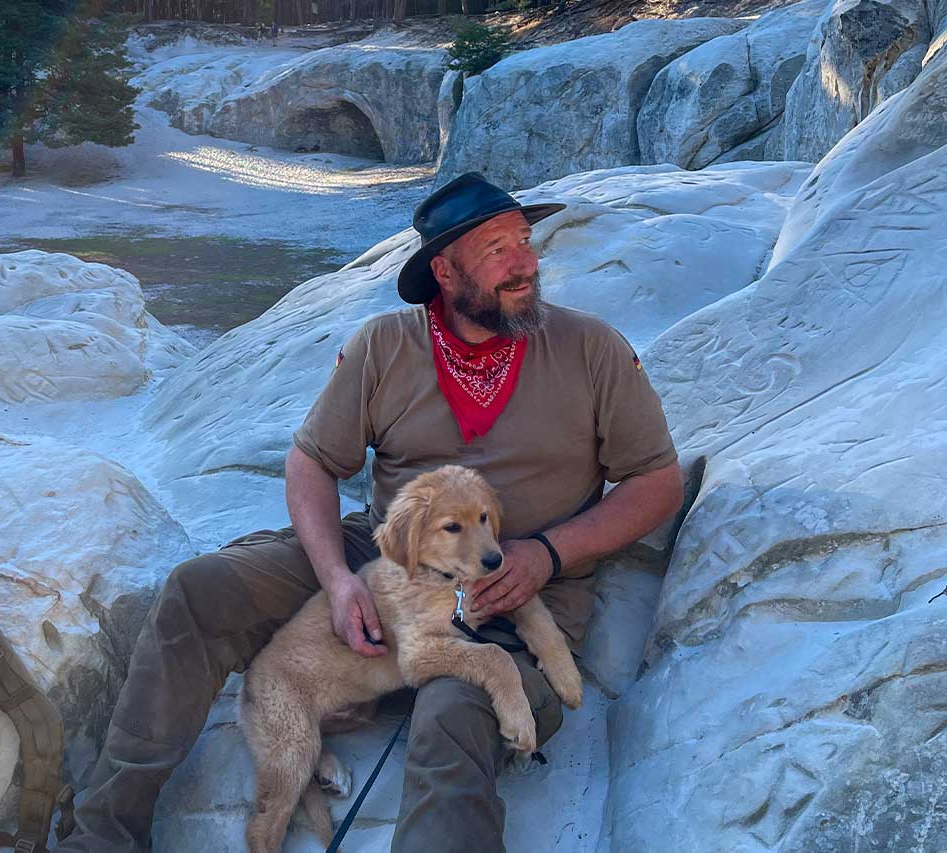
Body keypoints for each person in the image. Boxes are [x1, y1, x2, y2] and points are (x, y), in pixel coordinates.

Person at [58, 171, 684, 852]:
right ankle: (103, 836)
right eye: (496, 249)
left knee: (451, 715)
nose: (524, 263)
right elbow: (311, 463)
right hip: (386, 555)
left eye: (524, 242)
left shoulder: (591, 349)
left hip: (512, 589)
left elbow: (656, 482)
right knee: (199, 589)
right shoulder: (385, 344)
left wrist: (549, 553)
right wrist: (337, 580)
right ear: (444, 271)